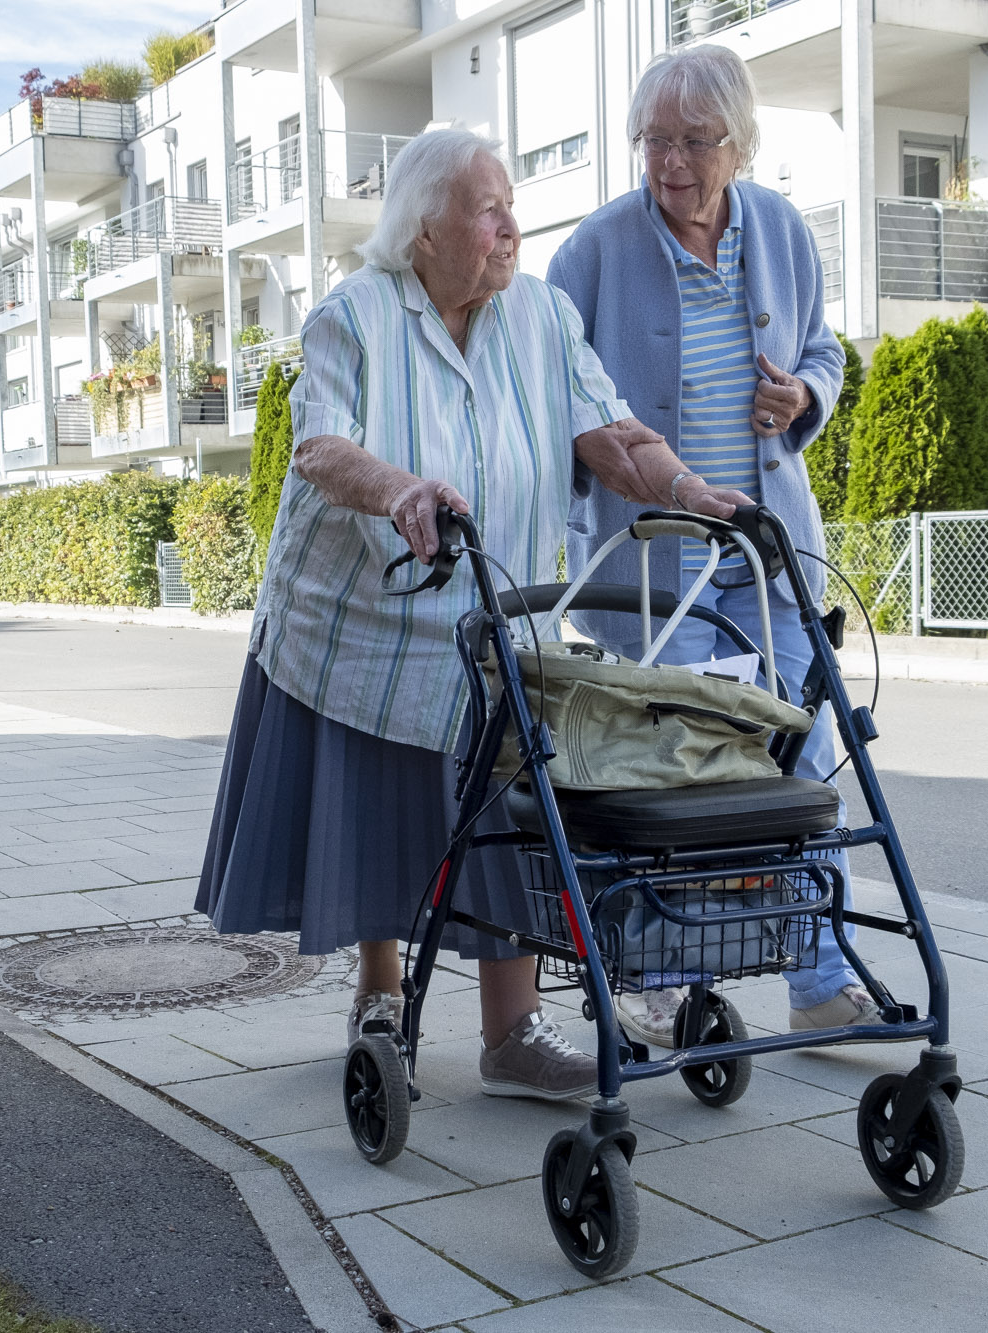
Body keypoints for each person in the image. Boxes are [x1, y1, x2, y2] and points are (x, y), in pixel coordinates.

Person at [196, 129, 742, 1102]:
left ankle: (512, 1032)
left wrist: (686, 488)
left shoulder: (539, 312)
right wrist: (400, 490)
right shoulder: (354, 316)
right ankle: (376, 995)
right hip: (359, 618)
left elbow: (610, 431)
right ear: (422, 229)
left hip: (501, 611)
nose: (508, 225)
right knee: (376, 805)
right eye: (486, 208)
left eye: (509, 205)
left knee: (510, 809)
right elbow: (318, 447)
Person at [546, 45, 885, 1048]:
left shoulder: (779, 229)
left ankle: (819, 978)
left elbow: (822, 347)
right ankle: (656, 979)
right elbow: (563, 396)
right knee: (668, 765)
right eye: (654, 140)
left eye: (695, 141)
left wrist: (804, 395)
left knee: (802, 761)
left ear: (738, 145)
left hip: (764, 552)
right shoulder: (593, 252)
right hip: (651, 562)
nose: (671, 163)